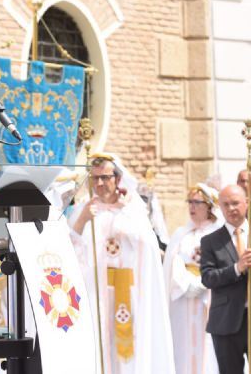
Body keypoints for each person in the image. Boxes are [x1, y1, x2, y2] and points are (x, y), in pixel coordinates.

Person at [68, 154, 175, 374]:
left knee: (129, 348)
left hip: (128, 291)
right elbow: (69, 252)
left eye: (105, 177)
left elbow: (147, 248)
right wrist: (82, 220)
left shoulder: (133, 209)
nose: (99, 183)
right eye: (94, 178)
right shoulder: (83, 210)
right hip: (94, 290)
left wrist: (124, 215)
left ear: (117, 179)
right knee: (98, 345)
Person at [200, 184, 251, 374]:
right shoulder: (210, 241)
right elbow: (208, 278)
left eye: (235, 203)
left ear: (246, 204)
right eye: (226, 204)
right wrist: (237, 268)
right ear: (220, 207)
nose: (231, 209)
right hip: (226, 324)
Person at [163, 183, 223, 374]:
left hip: (210, 299)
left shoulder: (219, 233)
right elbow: (172, 262)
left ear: (210, 206)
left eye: (197, 202)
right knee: (183, 343)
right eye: (190, 202)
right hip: (183, 298)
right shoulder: (181, 234)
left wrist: (204, 282)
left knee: (208, 345)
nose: (192, 207)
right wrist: (184, 281)